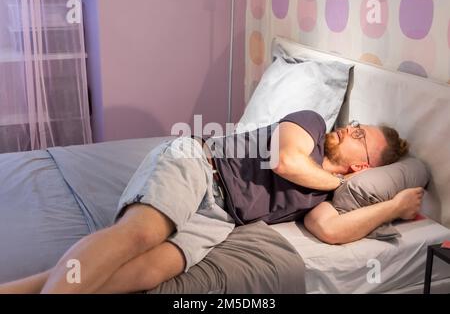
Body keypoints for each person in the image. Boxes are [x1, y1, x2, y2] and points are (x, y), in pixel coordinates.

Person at [0, 110, 423, 294]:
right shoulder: (310, 125)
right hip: (201, 165)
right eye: (355, 125)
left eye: (360, 136)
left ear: (362, 169)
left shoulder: (331, 194)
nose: (349, 129)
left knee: (150, 271)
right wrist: (332, 182)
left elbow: (329, 230)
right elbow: (283, 161)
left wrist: (394, 205)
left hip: (221, 219)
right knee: (141, 234)